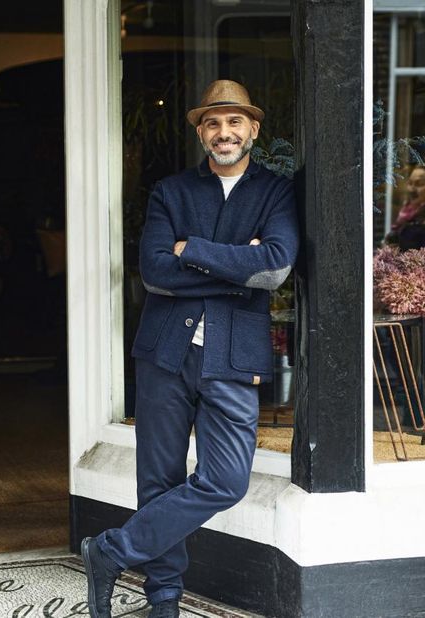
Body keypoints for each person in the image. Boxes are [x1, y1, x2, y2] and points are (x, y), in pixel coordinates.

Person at [81, 80, 299, 618]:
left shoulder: (275, 191)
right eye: (212, 123)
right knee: (158, 479)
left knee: (226, 479)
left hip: (234, 355)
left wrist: (192, 251)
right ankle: (163, 600)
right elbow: (155, 272)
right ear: (201, 131)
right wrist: (234, 270)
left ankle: (111, 551)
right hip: (163, 353)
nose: (223, 133)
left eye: (234, 122)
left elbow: (275, 266)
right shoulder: (170, 191)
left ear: (252, 128)